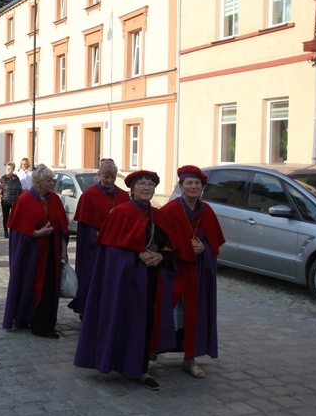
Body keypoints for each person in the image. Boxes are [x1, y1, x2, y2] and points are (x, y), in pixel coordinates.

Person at [73, 170, 176, 391]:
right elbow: (109, 249)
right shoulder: (120, 212)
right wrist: (136, 254)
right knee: (125, 320)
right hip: (125, 280)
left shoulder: (158, 216)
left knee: (146, 321)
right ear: (132, 189)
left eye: (150, 184)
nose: (146, 188)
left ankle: (141, 367)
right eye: (142, 184)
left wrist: (160, 256)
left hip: (152, 279)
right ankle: (120, 362)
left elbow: (169, 246)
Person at [160, 165, 225, 379]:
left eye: (197, 183)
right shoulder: (170, 210)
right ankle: (151, 351)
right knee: (164, 312)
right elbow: (159, 242)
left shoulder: (207, 211)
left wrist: (204, 248)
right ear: (181, 186)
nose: (194, 186)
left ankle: (190, 359)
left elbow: (215, 241)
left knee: (194, 316)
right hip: (174, 271)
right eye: (189, 183)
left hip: (198, 272)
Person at [3, 164, 69, 339]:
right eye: (48, 180)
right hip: (32, 255)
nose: (52, 183)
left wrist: (63, 249)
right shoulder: (24, 200)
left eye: (52, 180)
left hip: (52, 253)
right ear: (38, 182)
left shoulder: (54, 199)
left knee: (49, 288)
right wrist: (39, 233)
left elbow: (62, 227)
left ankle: (45, 322)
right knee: (31, 287)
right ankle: (31, 320)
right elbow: (18, 231)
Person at [68, 158, 130, 316]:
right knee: (93, 279)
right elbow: (84, 227)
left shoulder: (123, 196)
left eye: (112, 177)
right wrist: (97, 236)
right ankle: (88, 311)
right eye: (105, 177)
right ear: (99, 175)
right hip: (94, 249)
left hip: (116, 247)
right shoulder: (89, 195)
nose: (109, 180)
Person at [0, 162, 22, 238]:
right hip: (5, 200)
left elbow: (20, 189)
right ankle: (6, 231)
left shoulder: (16, 179)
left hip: (14, 201)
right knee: (6, 217)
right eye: (7, 169)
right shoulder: (3, 178)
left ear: (13, 170)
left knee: (15, 217)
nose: (8, 170)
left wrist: (19, 198)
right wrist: (1, 196)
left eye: (10, 169)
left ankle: (14, 231)